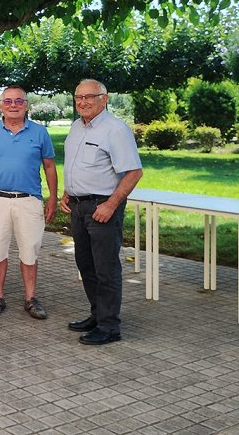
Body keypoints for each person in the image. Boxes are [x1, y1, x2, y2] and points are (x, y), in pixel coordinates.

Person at [60, 79, 143, 345]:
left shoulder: (115, 130)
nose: (82, 102)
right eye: (78, 97)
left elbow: (134, 172)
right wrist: (67, 191)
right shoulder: (76, 127)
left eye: (89, 97)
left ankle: (109, 326)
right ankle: (97, 314)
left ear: (104, 99)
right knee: (86, 264)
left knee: (106, 267)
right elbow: (76, 166)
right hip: (78, 206)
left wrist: (111, 204)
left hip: (103, 207)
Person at [0, 86, 58, 320]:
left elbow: (49, 166)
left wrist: (52, 198)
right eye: (8, 101)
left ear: (26, 105)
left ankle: (31, 298)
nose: (13, 105)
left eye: (19, 101)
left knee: (29, 250)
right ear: (0, 105)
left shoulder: (40, 133)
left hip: (29, 201)